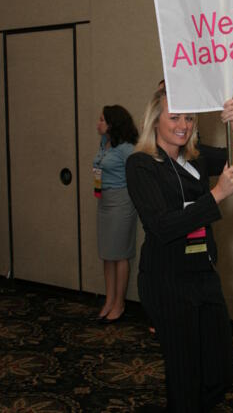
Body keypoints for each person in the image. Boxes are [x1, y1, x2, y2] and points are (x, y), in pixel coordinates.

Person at [126, 86, 233, 412]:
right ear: (155, 119)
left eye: (189, 117)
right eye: (174, 117)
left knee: (219, 369)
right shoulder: (141, 165)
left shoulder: (196, 157)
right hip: (166, 279)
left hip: (202, 271)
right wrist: (215, 195)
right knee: (185, 372)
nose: (183, 125)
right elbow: (162, 227)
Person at [93, 105, 138, 323]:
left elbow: (138, 174)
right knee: (107, 253)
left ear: (111, 124)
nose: (97, 123)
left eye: (101, 120)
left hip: (122, 203)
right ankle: (109, 300)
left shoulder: (127, 148)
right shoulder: (105, 143)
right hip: (104, 202)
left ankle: (119, 303)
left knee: (119, 253)